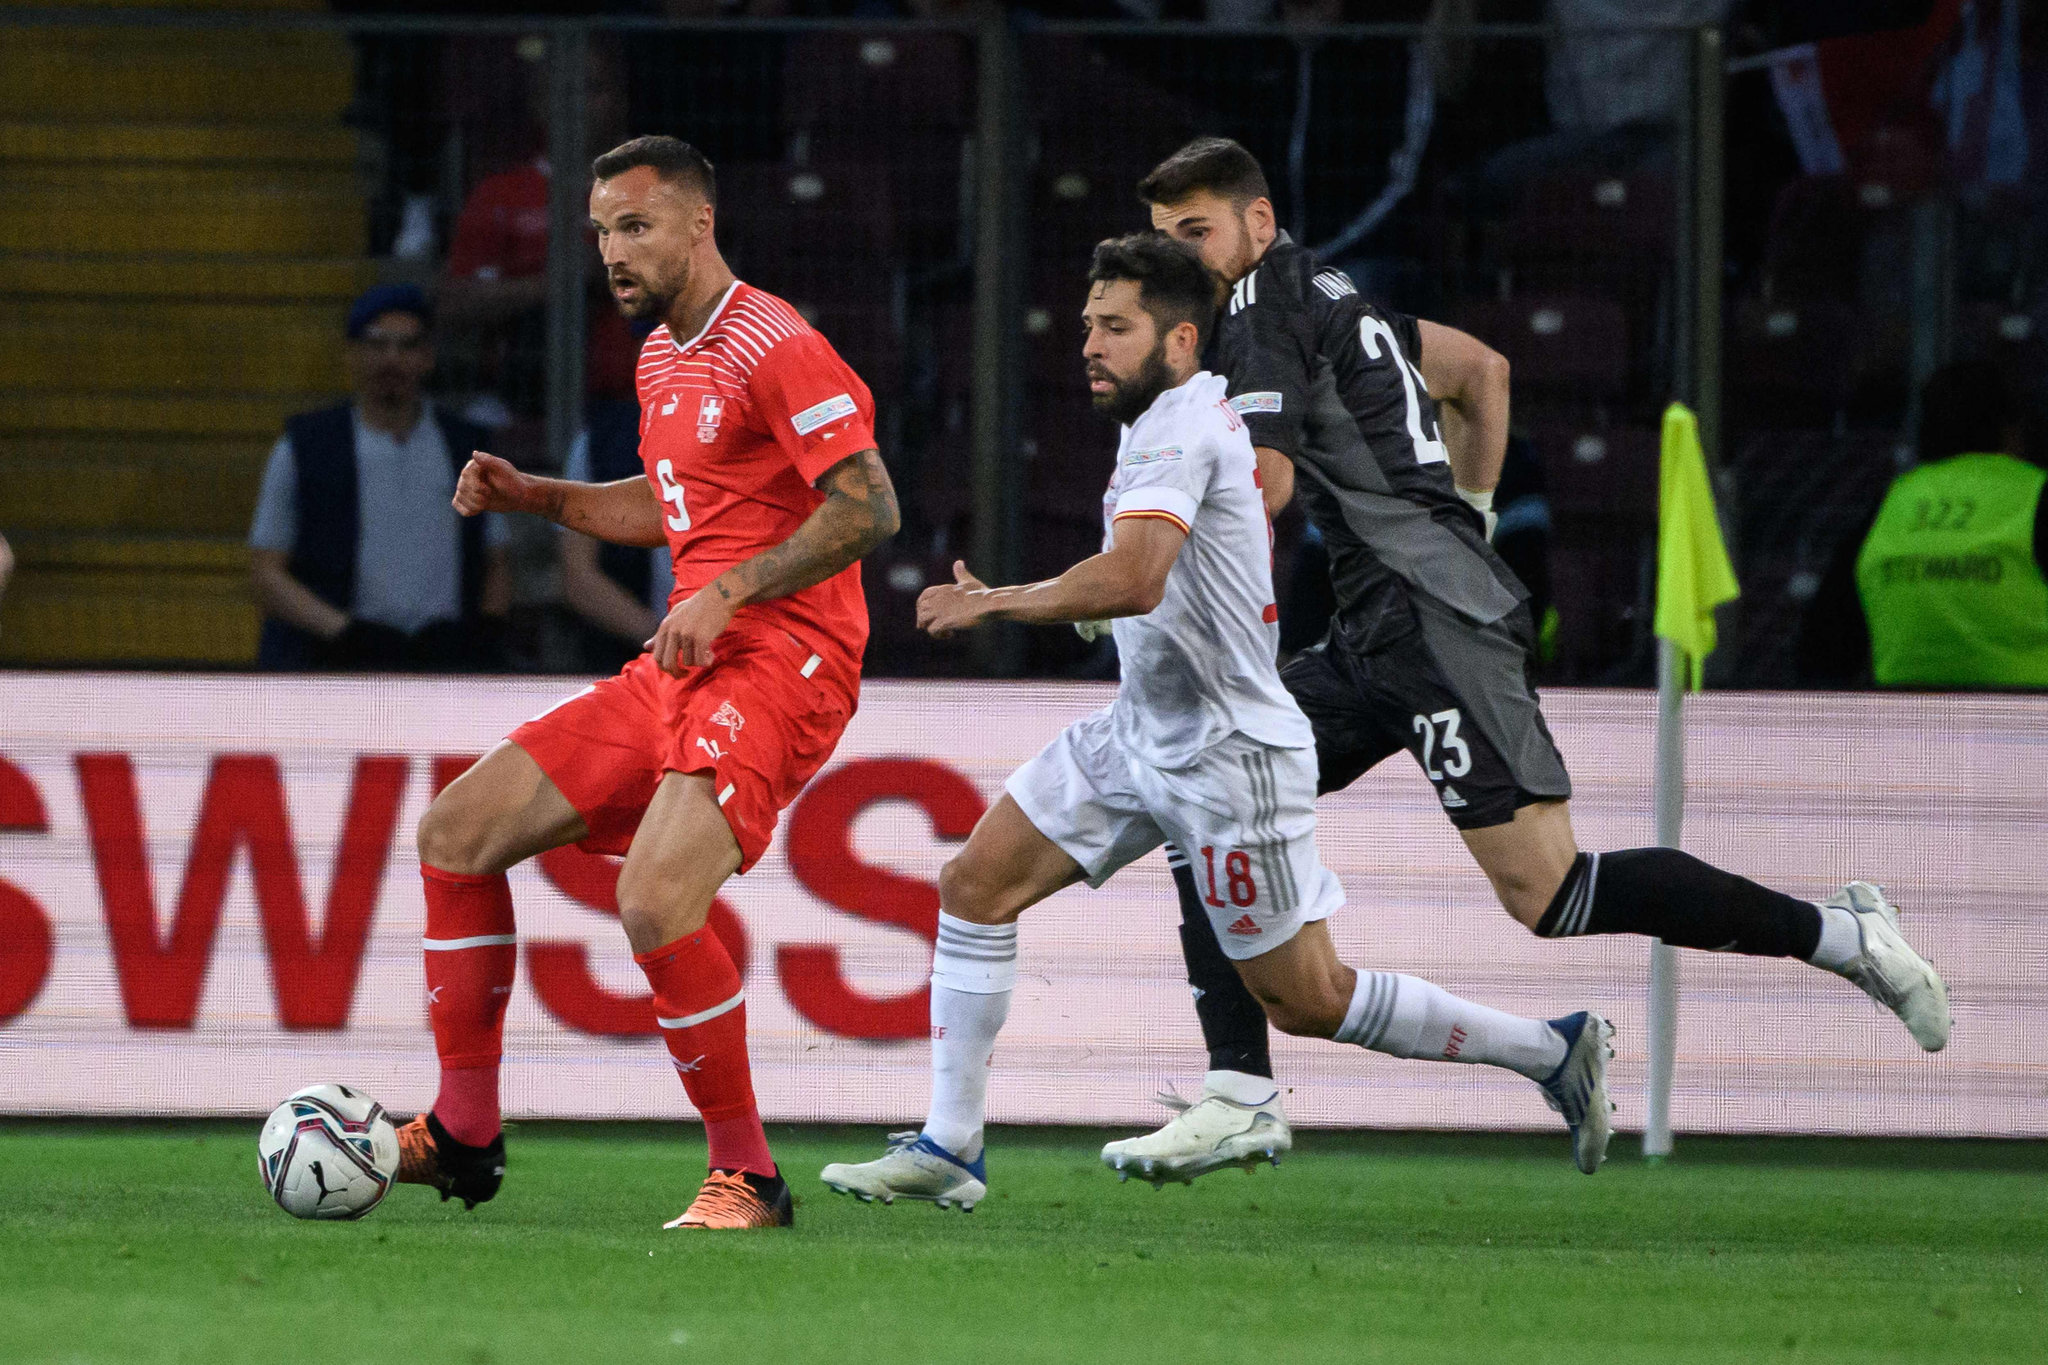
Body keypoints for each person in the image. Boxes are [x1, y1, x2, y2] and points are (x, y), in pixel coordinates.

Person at [1105, 137, 1953, 1184]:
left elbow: (1266, 485)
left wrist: (1139, 564)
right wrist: (1469, 519)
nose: (1179, 254)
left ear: (1258, 224)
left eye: (1195, 231)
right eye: (1163, 236)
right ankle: (1237, 1091)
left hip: (1434, 625)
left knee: (1549, 894)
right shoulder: (1335, 296)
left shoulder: (1257, 309)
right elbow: (1480, 372)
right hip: (1379, 626)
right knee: (1200, 792)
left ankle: (1843, 937)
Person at [820, 234, 1615, 1211]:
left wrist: (997, 603)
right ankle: (951, 1145)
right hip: (1139, 732)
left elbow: (1134, 578)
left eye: (1115, 327)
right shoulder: (1155, 419)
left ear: (1182, 340)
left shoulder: (1185, 426)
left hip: (1228, 754)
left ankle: (1549, 1050)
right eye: (1087, 325)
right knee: (974, 885)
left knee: (1307, 999)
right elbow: (1153, 580)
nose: (1088, 344)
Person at [398, 135, 900, 1230]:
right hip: (685, 661)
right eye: (600, 232)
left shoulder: (776, 343)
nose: (613, 252)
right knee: (456, 832)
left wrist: (730, 592)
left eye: (635, 226)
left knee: (654, 898)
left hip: (784, 660)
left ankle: (749, 1177)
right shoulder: (661, 357)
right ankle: (464, 1133)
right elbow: (676, 507)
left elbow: (868, 507)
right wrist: (540, 497)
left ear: (698, 223)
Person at [249, 284, 512, 671]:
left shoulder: (467, 449)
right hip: (334, 662)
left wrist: (482, 637)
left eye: (407, 346)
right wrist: (344, 632)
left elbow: (496, 560)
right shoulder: (303, 446)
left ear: (428, 357)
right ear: (351, 354)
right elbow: (264, 572)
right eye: (376, 344)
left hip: (442, 661)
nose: (392, 359)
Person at [1802, 360, 2048, 688]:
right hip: (2028, 714)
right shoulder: (2035, 495)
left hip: (1907, 715)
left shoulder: (1891, 504)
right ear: (2011, 429)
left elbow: (1823, 650)